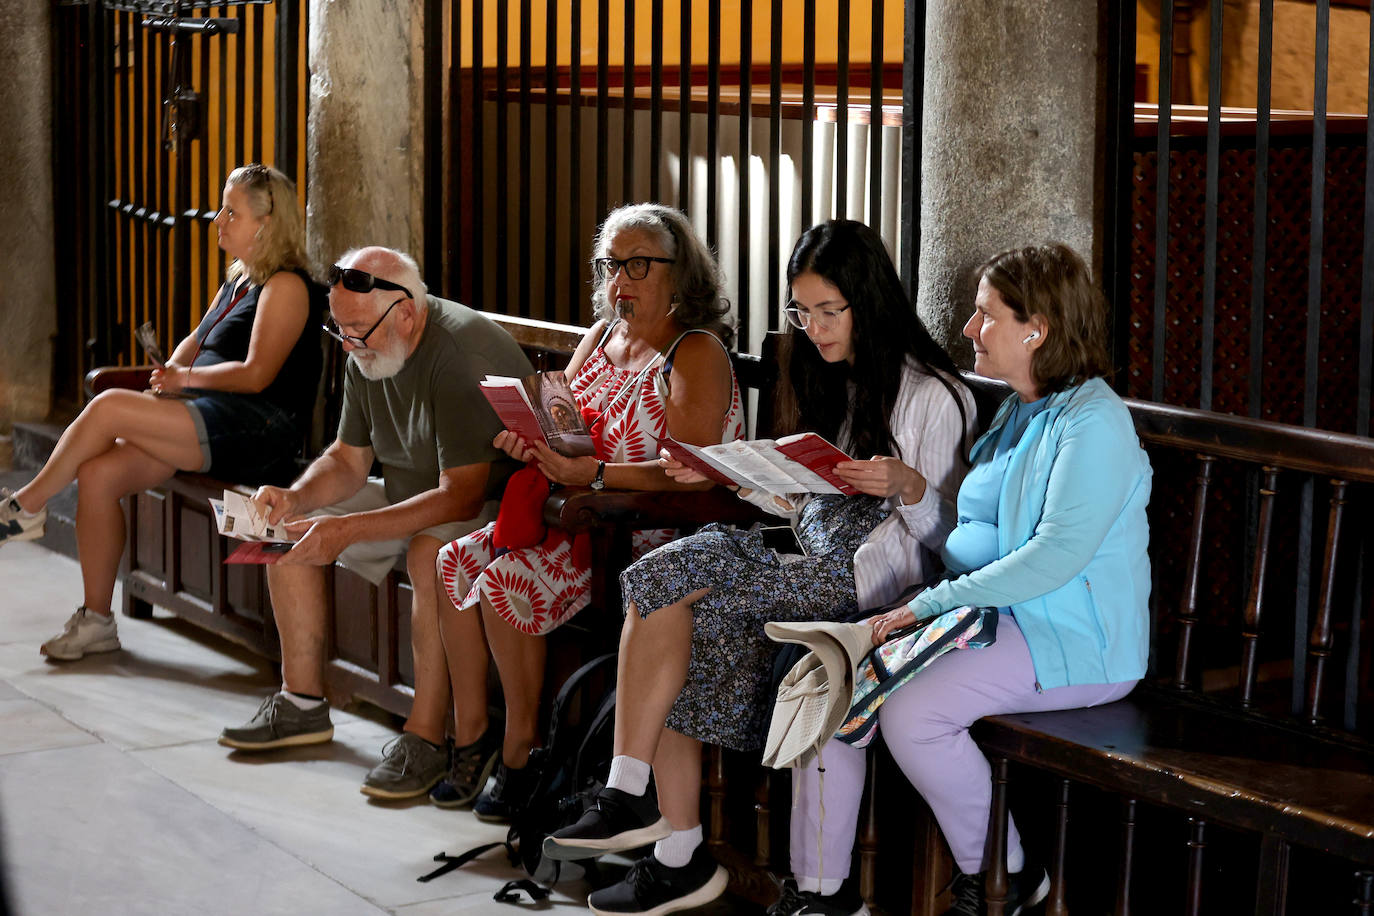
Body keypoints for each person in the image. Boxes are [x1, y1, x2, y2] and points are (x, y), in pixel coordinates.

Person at [544, 220, 977, 916]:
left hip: (868, 583)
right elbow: (804, 496)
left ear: (869, 302)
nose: (814, 328)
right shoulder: (837, 375)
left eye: (829, 311)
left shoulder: (935, 394)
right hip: (806, 550)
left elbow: (956, 541)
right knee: (662, 576)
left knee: (685, 596)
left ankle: (668, 839)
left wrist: (910, 488)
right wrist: (722, 469)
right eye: (802, 313)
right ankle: (627, 794)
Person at [770, 243, 1153, 916]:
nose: (969, 329)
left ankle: (1003, 876)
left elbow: (1053, 559)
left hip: (1070, 640)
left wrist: (929, 605)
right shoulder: (1017, 410)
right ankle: (822, 894)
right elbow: (971, 538)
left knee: (917, 713)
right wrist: (919, 599)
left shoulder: (1096, 423)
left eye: (984, 315)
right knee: (833, 668)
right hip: (987, 619)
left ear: (1036, 327)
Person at [428, 203, 746, 818]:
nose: (619, 281)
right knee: (452, 561)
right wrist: (531, 443)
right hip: (581, 516)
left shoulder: (695, 351)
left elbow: (695, 474)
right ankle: (483, 737)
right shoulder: (600, 337)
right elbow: (562, 424)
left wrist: (594, 475)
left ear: (680, 273)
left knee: (500, 581)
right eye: (610, 265)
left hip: (648, 536)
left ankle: (524, 749)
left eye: (638, 266)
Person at [218, 246, 536, 804]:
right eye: (338, 328)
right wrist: (294, 498)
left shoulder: (456, 353)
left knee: (426, 553)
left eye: (356, 330)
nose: (346, 343)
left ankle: (427, 736)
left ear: (407, 314)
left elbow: (459, 495)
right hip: (413, 491)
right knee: (281, 526)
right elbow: (346, 460)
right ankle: (302, 703)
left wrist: (349, 531)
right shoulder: (368, 345)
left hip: (490, 502)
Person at [0, 164, 324, 662]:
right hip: (206, 414)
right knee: (98, 473)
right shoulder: (237, 283)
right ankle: (96, 621)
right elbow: (191, 349)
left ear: (266, 221)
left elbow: (258, 375)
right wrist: (169, 374)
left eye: (231, 211)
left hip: (256, 430)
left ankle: (26, 507)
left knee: (107, 406)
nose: (219, 219)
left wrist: (186, 381)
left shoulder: (286, 286)